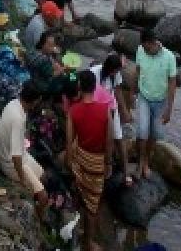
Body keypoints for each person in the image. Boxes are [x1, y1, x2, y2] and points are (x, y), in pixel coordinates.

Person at [67, 69, 111, 251]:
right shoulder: (105, 111)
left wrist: (70, 163)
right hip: (96, 161)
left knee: (81, 196)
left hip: (80, 158)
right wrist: (108, 163)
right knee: (93, 204)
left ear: (79, 87)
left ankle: (79, 230)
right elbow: (109, 143)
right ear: (95, 88)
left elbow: (69, 142)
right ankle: (88, 242)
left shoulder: (73, 111)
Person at [0, 82, 49, 222]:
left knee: (43, 175)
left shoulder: (13, 103)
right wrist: (21, 179)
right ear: (36, 101)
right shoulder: (18, 119)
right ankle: (39, 218)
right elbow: (16, 156)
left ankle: (37, 198)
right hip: (11, 163)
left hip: (19, 155)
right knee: (44, 197)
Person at [134, 29, 176, 180]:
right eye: (144, 48)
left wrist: (169, 109)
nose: (145, 50)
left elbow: (172, 83)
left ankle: (146, 161)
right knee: (142, 131)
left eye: (148, 48)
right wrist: (134, 91)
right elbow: (137, 70)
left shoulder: (169, 57)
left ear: (154, 43)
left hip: (160, 101)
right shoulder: (140, 50)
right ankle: (140, 162)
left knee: (154, 134)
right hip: (144, 97)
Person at [91, 53, 133, 186]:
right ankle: (104, 164)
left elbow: (118, 92)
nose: (117, 73)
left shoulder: (116, 74)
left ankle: (126, 172)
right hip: (96, 109)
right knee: (102, 139)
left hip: (111, 107)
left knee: (118, 138)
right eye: (116, 70)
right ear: (109, 68)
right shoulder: (94, 73)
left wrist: (124, 110)